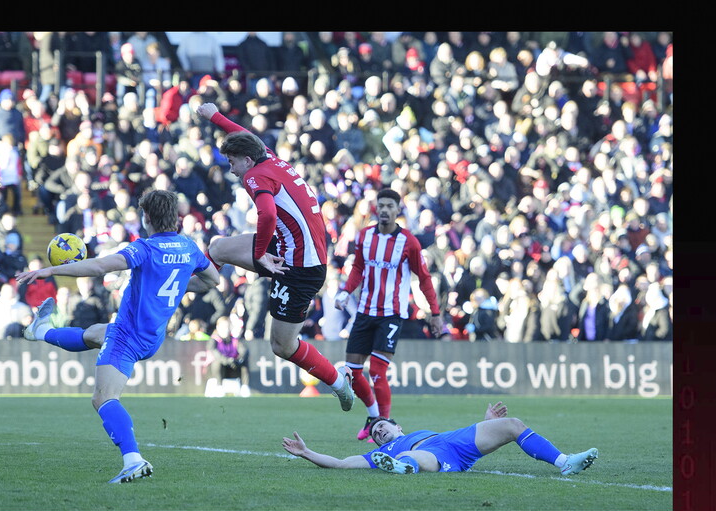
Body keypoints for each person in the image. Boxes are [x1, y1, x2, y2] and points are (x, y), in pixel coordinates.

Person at [15, 189, 221, 483]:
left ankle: (133, 459)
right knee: (97, 333)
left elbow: (100, 266)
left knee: (103, 398)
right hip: (152, 336)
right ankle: (41, 330)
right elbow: (212, 280)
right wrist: (176, 289)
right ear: (175, 218)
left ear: (146, 218)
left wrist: (51, 270)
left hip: (128, 336)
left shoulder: (144, 249)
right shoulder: (189, 248)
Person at [195, 101, 355, 412]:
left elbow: (266, 214)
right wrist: (213, 117)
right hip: (291, 251)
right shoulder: (271, 160)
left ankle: (337, 382)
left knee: (282, 345)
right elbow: (246, 135)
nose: (230, 167)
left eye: (231, 161)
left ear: (246, 160)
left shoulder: (254, 176)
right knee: (217, 248)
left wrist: (260, 256)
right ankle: (192, 288)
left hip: (298, 267)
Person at [333, 188, 444, 441]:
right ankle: (373, 416)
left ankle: (386, 424)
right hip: (364, 312)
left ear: (397, 210)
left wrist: (436, 313)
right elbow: (358, 268)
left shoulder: (409, 242)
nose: (384, 210)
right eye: (380, 205)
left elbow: (424, 279)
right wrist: (345, 291)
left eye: (389, 206)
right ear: (376, 209)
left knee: (378, 372)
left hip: (391, 314)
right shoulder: (365, 236)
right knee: (353, 372)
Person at [282, 401, 599, 477]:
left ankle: (564, 462)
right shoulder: (385, 450)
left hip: (451, 439)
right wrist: (307, 452)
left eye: (383, 428)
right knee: (414, 458)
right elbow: (339, 463)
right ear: (377, 444)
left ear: (398, 426)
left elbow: (472, 434)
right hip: (427, 452)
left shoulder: (412, 432)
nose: (380, 431)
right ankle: (401, 468)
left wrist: (487, 425)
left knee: (512, 423)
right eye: (376, 434)